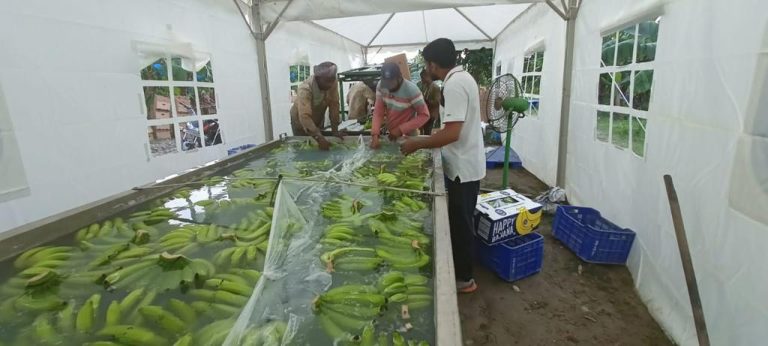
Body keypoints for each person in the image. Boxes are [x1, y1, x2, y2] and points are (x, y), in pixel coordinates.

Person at [400, 38, 485, 293]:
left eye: (428, 64)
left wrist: (418, 143)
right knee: (461, 219)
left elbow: (452, 135)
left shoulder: (455, 85)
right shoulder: (462, 79)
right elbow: (451, 127)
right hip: (466, 162)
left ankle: (464, 279)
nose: (427, 68)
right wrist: (433, 134)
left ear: (434, 64)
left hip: (462, 167)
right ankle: (464, 270)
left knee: (461, 223)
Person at [370, 63, 430, 149]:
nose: (387, 86)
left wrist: (400, 129)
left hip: (409, 135)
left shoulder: (412, 90)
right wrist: (375, 135)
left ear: (399, 77)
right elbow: (378, 112)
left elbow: (424, 115)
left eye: (391, 82)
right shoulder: (381, 85)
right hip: (392, 132)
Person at [290, 61, 344, 150]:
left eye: (332, 80)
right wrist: (319, 138)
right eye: (327, 81)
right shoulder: (305, 89)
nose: (330, 84)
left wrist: (335, 131)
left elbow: (334, 106)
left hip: (318, 118)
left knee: (319, 147)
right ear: (318, 78)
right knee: (303, 147)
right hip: (300, 121)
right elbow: (304, 116)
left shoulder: (333, 83)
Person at [418, 69, 442, 135]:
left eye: (422, 77)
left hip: (432, 115)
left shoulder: (435, 87)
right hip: (426, 113)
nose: (421, 79)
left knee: (428, 133)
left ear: (427, 76)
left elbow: (437, 102)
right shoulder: (425, 86)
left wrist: (426, 101)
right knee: (423, 132)